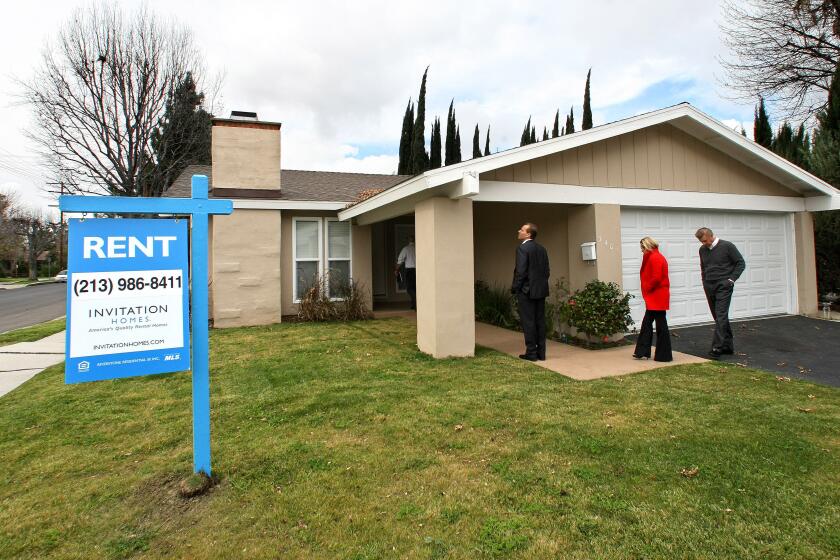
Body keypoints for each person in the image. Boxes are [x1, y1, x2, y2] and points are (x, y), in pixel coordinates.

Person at [695, 227, 746, 358]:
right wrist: (704, 282)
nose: (703, 243)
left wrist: (731, 280)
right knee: (718, 316)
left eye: (705, 240)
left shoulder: (727, 246)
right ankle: (728, 346)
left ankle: (717, 348)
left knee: (721, 315)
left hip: (724, 285)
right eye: (701, 242)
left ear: (711, 236)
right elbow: (703, 267)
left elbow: (740, 263)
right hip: (709, 285)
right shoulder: (702, 250)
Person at [511, 223, 550, 361]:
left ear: (528, 234)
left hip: (526, 292)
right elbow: (546, 272)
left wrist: (516, 288)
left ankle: (531, 353)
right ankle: (541, 354)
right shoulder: (542, 249)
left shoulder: (522, 248)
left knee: (528, 322)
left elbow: (521, 272)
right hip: (540, 291)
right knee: (540, 322)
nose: (519, 230)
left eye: (521, 229)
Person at [633, 236, 673, 362]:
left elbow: (656, 277)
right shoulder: (652, 256)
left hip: (657, 295)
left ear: (647, 246)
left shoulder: (655, 257)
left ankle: (662, 355)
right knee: (649, 323)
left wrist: (647, 288)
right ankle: (643, 352)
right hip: (655, 295)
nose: (641, 251)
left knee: (660, 325)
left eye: (642, 248)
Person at [395, 235, 416, 310]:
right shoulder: (418, 247)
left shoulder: (406, 249)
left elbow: (400, 260)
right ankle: (414, 304)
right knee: (416, 288)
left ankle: (416, 303)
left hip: (410, 271)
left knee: (410, 288)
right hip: (419, 271)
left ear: (408, 240)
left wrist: (396, 270)